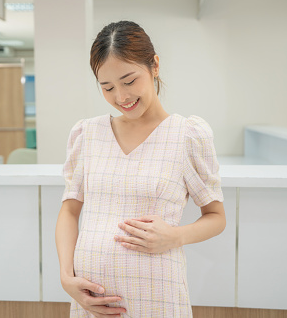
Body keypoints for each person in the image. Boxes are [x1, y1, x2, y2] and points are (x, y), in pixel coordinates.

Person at [55, 20, 226, 318]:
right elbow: (69, 211)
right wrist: (66, 278)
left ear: (154, 66)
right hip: (92, 303)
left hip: (158, 300)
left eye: (129, 81)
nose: (121, 97)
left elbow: (216, 218)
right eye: (107, 87)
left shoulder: (186, 135)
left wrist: (176, 236)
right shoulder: (87, 134)